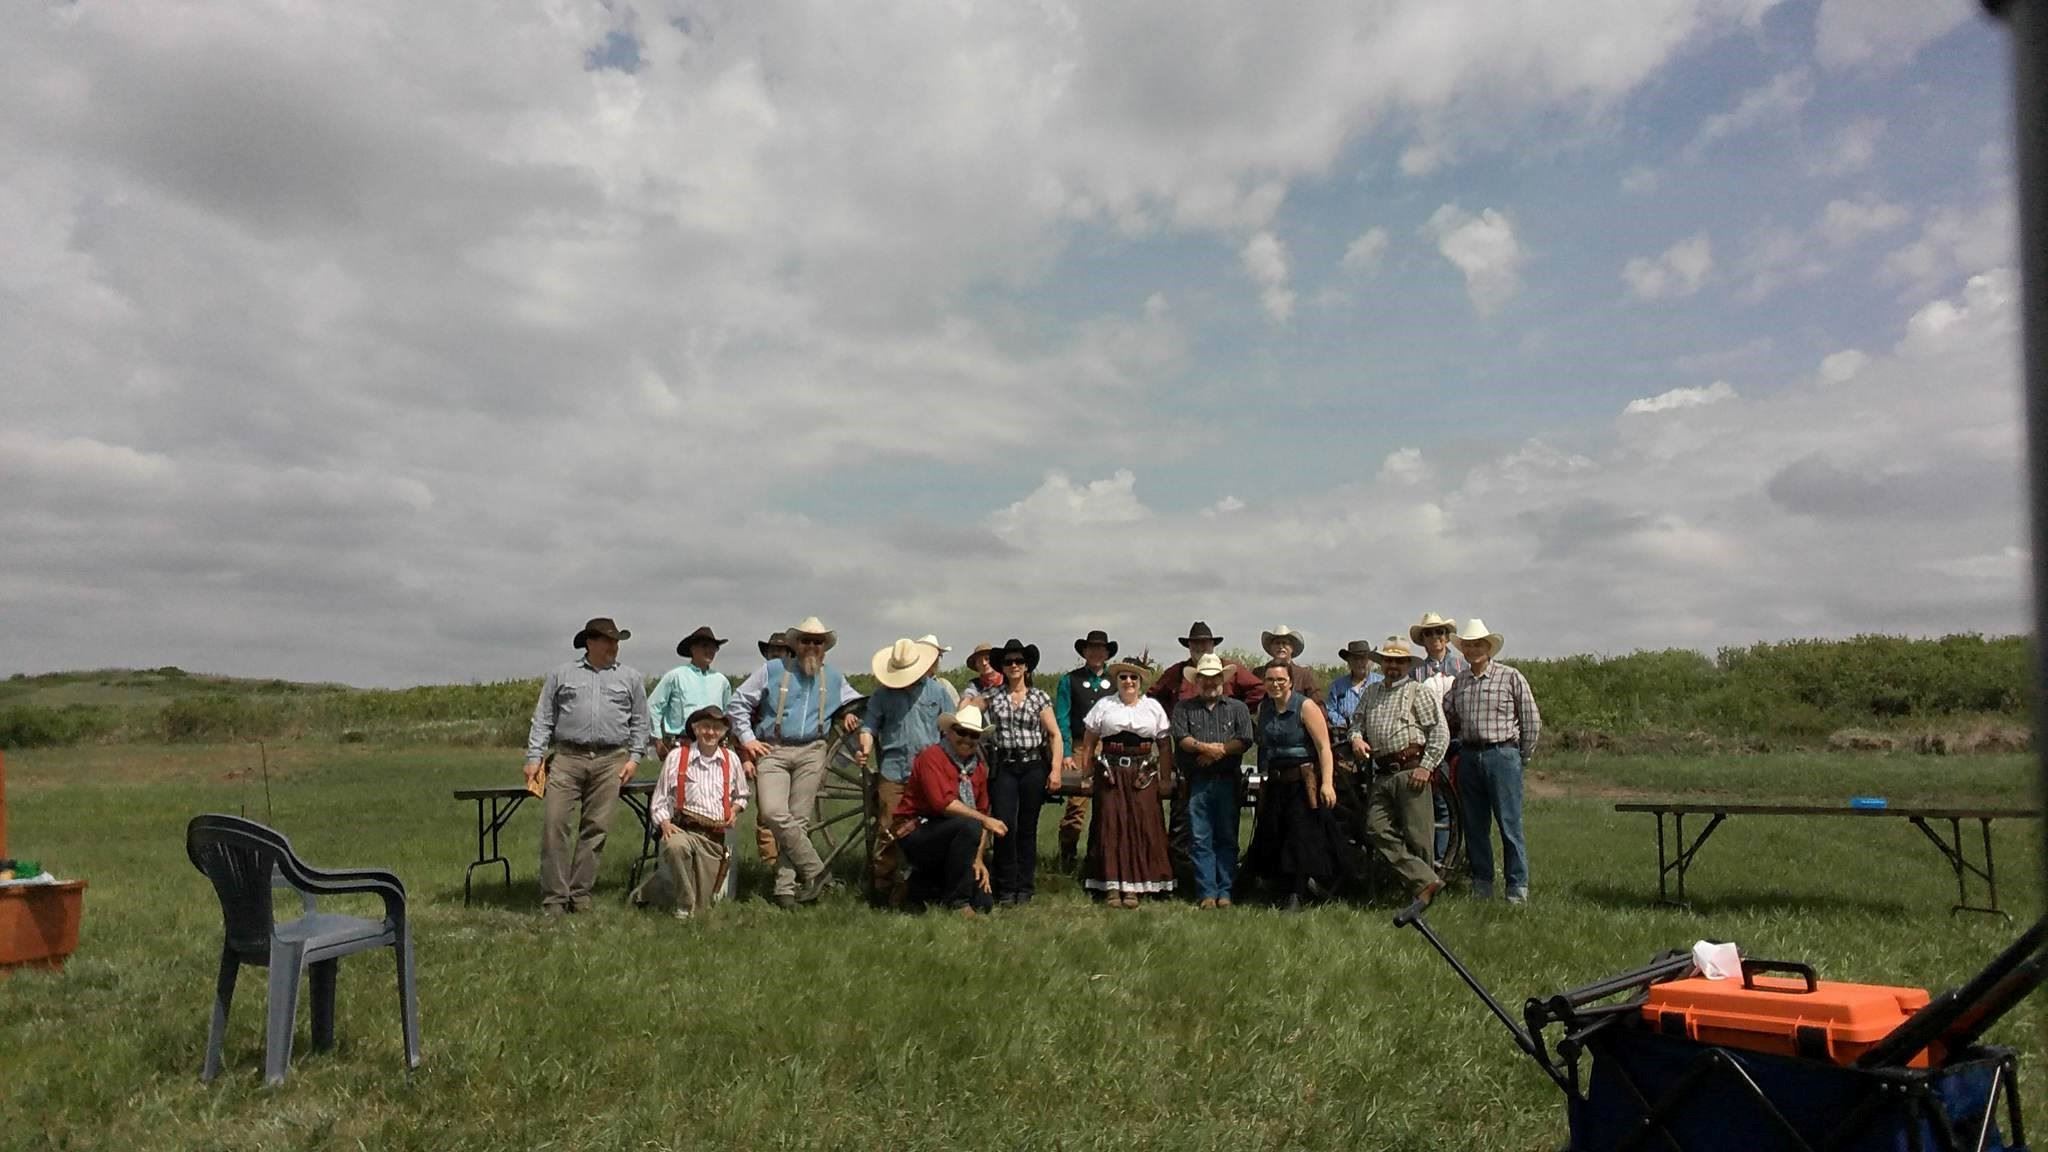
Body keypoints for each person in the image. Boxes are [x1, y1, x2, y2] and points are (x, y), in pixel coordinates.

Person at [728, 617, 868, 908]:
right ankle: (817, 871)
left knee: (799, 821)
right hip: (773, 749)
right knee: (773, 813)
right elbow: (738, 703)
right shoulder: (773, 670)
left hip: (813, 749)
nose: (812, 646)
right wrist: (748, 738)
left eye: (818, 642)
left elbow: (858, 705)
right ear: (796, 644)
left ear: (824, 648)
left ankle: (785, 890)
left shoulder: (834, 678)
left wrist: (850, 715)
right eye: (806, 640)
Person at [524, 617, 650, 916]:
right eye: (608, 640)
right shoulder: (561, 675)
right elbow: (543, 718)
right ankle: (554, 898)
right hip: (567, 757)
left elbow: (640, 721)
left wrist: (634, 758)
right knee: (555, 824)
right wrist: (534, 757)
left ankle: (580, 894)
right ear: (590, 642)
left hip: (611, 760)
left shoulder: (631, 678)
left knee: (596, 828)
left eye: (616, 641)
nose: (614, 646)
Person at [1149, 621, 1263, 892]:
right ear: (1188, 646)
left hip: (1226, 772)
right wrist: (1168, 718)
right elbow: (1153, 697)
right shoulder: (1176, 675)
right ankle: (1191, 884)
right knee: (1186, 831)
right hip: (1191, 772)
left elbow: (1259, 692)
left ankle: (1224, 888)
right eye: (1195, 643)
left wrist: (1234, 719)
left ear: (1213, 645)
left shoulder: (1234, 692)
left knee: (1226, 833)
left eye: (1205, 642)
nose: (1200, 646)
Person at [1442, 617, 1542, 904]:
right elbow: (1446, 714)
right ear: (1463, 650)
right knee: (1475, 826)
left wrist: (1522, 755)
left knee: (1509, 824)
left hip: (1502, 753)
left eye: (1478, 645)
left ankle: (1517, 888)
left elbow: (1531, 718)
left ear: (1488, 648)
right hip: (1469, 755)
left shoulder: (1510, 676)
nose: (1473, 650)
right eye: (1468, 646)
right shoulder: (1460, 682)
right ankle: (1482, 885)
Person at [1347, 638, 1449, 906]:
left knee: (1418, 836)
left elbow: (1439, 732)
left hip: (1410, 770)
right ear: (1382, 663)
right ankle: (1425, 880)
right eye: (1388, 660)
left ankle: (1421, 898)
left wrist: (1426, 767)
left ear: (1407, 665)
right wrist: (1356, 739)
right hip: (1381, 772)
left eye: (1399, 661)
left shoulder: (1418, 691)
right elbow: (1356, 724)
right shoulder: (1371, 692)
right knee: (1375, 827)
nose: (1393, 665)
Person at [1244, 660, 1345, 910]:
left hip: (1302, 782)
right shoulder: (1265, 708)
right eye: (1270, 680)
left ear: (1290, 681)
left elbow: (1324, 747)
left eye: (1281, 679)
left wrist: (1327, 783)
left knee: (1299, 837)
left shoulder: (1306, 706)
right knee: (1274, 834)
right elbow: (1264, 747)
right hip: (1275, 781)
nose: (1275, 684)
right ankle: (1277, 888)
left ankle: (1297, 894)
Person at [633, 706, 749, 920]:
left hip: (715, 838)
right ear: (695, 729)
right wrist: (665, 824)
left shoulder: (731, 759)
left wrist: (735, 809)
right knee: (675, 847)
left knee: (705, 905)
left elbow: (742, 795)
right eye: (705, 727)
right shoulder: (677, 757)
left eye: (716, 728)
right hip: (684, 829)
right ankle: (685, 907)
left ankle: (647, 893)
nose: (710, 732)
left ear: (723, 733)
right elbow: (659, 800)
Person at [864, 638, 955, 903]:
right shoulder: (882, 695)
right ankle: (883, 887)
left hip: (928, 771)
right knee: (888, 827)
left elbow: (951, 728)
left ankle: (928, 883)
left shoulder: (937, 692)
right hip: (893, 769)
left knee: (933, 826)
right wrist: (865, 744)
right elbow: (869, 725)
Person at [1077, 660, 1175, 907]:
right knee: (1110, 823)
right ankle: (1111, 885)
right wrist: (1086, 775)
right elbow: (1089, 742)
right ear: (1117, 681)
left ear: (1140, 682)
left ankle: (1135, 886)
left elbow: (1164, 746)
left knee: (1142, 824)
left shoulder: (1153, 707)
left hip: (1142, 773)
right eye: (1123, 677)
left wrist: (1165, 779)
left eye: (1133, 678)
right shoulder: (1104, 705)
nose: (1128, 682)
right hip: (1111, 771)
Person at [890, 705, 1003, 917]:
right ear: (950, 732)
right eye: (962, 732)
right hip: (917, 832)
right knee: (969, 825)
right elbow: (943, 804)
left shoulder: (978, 768)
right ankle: (958, 904)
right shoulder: (931, 757)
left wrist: (978, 859)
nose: (967, 739)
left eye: (974, 735)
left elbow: (983, 811)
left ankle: (921, 887)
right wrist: (984, 821)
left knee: (984, 903)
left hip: (956, 836)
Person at [1169, 654, 1256, 909]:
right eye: (1204, 678)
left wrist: (1220, 751)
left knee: (1227, 837)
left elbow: (1245, 738)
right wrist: (1206, 748)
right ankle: (1206, 892)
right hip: (1196, 781)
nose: (1210, 682)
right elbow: (1181, 737)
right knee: (1200, 838)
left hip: (1228, 779)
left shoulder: (1238, 708)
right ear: (1197, 681)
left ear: (1223, 680)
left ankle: (1225, 891)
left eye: (1215, 677)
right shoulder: (1183, 708)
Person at [979, 639, 1062, 905]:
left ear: (1027, 667)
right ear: (1002, 667)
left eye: (1019, 661)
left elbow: (1054, 734)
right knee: (1004, 825)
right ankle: (1005, 887)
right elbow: (967, 709)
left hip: (1033, 765)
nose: (1014, 665)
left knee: (1027, 827)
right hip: (1004, 765)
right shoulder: (992, 696)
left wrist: (1056, 770)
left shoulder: (1039, 697)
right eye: (1009, 662)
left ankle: (1025, 886)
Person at [1052, 630, 1119, 872]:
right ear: (1084, 652)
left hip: (1110, 747)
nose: (1096, 653)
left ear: (1107, 653)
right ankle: (1067, 857)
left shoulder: (1117, 681)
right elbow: (1062, 718)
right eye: (1091, 648)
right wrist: (1066, 753)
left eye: (1101, 648)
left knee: (1108, 804)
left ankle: (1099, 859)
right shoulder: (1069, 680)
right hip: (1080, 746)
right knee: (1076, 804)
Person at [1407, 612, 1468, 863]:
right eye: (1429, 633)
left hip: (1461, 740)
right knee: (1439, 799)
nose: (1435, 637)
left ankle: (1469, 859)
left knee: (1467, 798)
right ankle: (1439, 858)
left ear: (1447, 637)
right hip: (1431, 740)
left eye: (1440, 632)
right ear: (1423, 640)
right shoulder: (1416, 672)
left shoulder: (1462, 667)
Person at [745, 630, 794, 870]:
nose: (777, 655)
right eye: (773, 651)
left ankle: (791, 862)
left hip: (796, 749)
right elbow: (743, 719)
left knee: (794, 812)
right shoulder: (760, 682)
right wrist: (747, 756)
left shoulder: (797, 682)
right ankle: (769, 864)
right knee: (766, 812)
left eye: (782, 651)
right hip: (765, 749)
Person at [648, 626, 734, 759]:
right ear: (693, 649)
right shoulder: (675, 677)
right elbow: (654, 706)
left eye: (714, 647)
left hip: (713, 745)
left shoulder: (722, 681)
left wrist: (727, 739)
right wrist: (658, 739)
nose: (710, 651)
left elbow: (729, 714)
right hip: (681, 744)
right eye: (705, 646)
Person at [1260, 626, 1320, 701]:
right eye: (1277, 643)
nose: (1281, 647)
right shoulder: (1259, 672)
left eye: (1285, 643)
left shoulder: (1304, 675)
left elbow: (1318, 703)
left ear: (1292, 648)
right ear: (1271, 647)